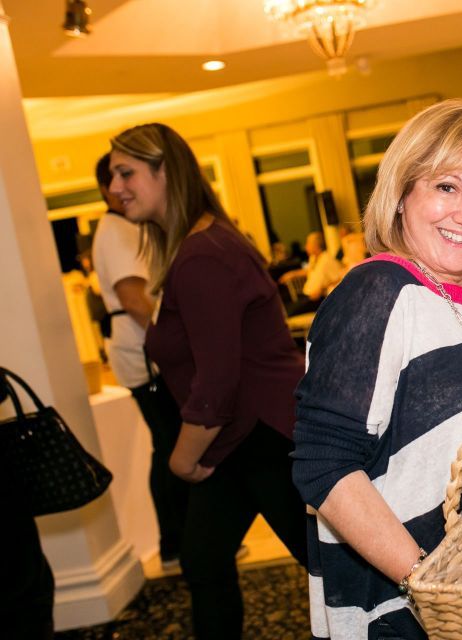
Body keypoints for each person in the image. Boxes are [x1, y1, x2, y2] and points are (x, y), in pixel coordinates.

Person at [292, 100, 462, 639]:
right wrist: (428, 585)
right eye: (447, 187)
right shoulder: (377, 292)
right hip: (410, 616)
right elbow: (323, 466)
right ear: (401, 193)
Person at [109, 123, 308, 639]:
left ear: (165, 172)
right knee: (204, 561)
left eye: (126, 173)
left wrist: (180, 459)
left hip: (264, 436)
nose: (115, 188)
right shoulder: (197, 246)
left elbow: (218, 380)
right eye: (113, 176)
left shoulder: (202, 254)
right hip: (242, 438)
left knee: (332, 567)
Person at [91, 153, 189, 570]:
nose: (124, 187)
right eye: (118, 178)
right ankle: (174, 543)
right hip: (143, 353)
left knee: (168, 443)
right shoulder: (115, 231)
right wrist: (175, 344)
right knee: (168, 445)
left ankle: (180, 542)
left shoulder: (127, 228)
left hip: (144, 349)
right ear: (106, 189)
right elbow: (134, 300)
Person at [280, 230, 345, 315]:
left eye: (308, 244)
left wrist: (322, 290)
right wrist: (291, 274)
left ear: (316, 246)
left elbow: (341, 277)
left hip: (317, 299)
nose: (306, 247)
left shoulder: (327, 259)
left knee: (289, 312)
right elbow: (308, 271)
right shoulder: (313, 258)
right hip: (306, 295)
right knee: (286, 308)